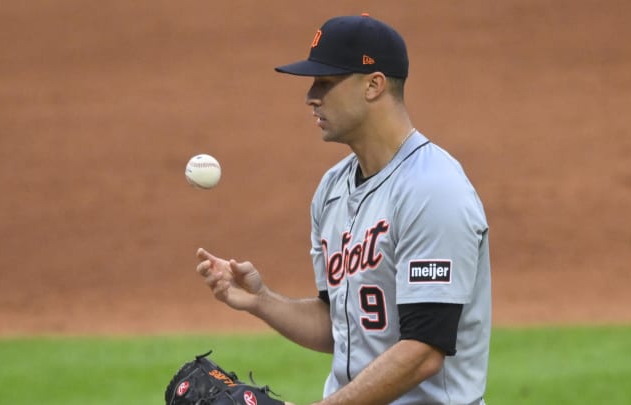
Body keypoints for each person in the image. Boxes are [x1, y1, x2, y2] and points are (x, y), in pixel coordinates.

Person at [196, 14, 491, 405]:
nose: (310, 96)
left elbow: (423, 351)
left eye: (326, 82)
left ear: (374, 85)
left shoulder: (433, 190)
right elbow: (341, 327)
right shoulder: (332, 190)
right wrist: (262, 300)